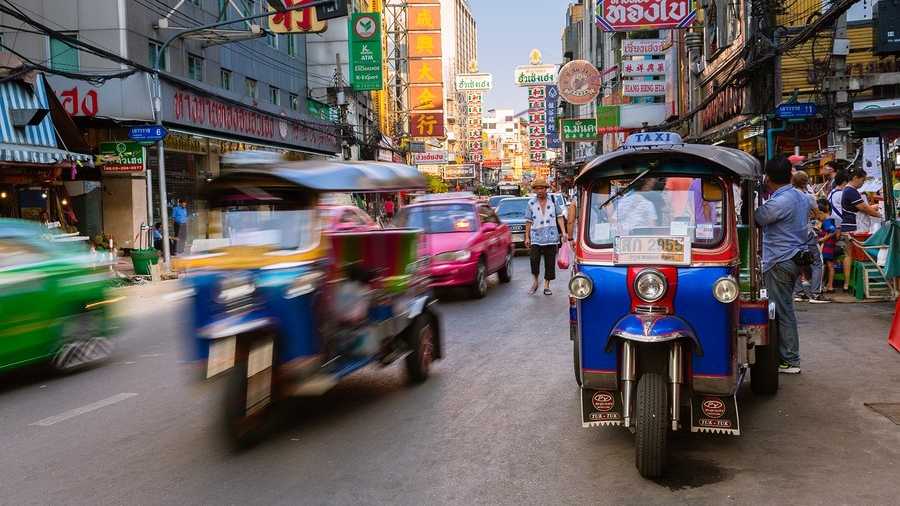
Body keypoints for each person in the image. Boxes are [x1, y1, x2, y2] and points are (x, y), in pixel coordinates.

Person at [754, 155, 811, 374]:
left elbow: (758, 218)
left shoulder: (780, 201)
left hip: (780, 259)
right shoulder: (801, 196)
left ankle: (789, 359)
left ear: (768, 177)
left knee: (780, 311)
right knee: (784, 308)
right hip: (794, 257)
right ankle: (787, 357)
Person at [839, 167, 883, 291]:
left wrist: (874, 207)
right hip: (854, 227)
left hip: (849, 226)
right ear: (855, 178)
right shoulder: (851, 191)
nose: (863, 183)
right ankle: (853, 284)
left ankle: (847, 285)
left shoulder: (848, 190)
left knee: (849, 255)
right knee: (857, 255)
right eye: (862, 180)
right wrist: (880, 215)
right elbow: (863, 208)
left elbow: (863, 207)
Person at [791, 171, 830, 303]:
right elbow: (818, 214)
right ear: (806, 182)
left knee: (796, 261)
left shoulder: (787, 196)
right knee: (817, 262)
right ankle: (815, 294)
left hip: (791, 234)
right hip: (806, 233)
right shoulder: (808, 197)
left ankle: (799, 293)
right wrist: (825, 217)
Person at [525, 177, 567, 295]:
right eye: (537, 189)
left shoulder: (553, 201)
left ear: (546, 189)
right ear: (534, 190)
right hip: (536, 237)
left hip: (551, 236)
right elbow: (528, 221)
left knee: (549, 262)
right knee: (534, 260)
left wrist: (563, 232)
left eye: (541, 188)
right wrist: (527, 237)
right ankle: (535, 281)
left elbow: (559, 216)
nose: (539, 191)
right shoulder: (531, 203)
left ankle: (547, 285)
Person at [818, 200, 839, 294]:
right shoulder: (829, 219)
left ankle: (829, 285)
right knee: (829, 265)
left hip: (826, 246)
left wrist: (823, 239)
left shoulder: (826, 221)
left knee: (827, 265)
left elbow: (833, 231)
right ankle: (829, 285)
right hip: (829, 245)